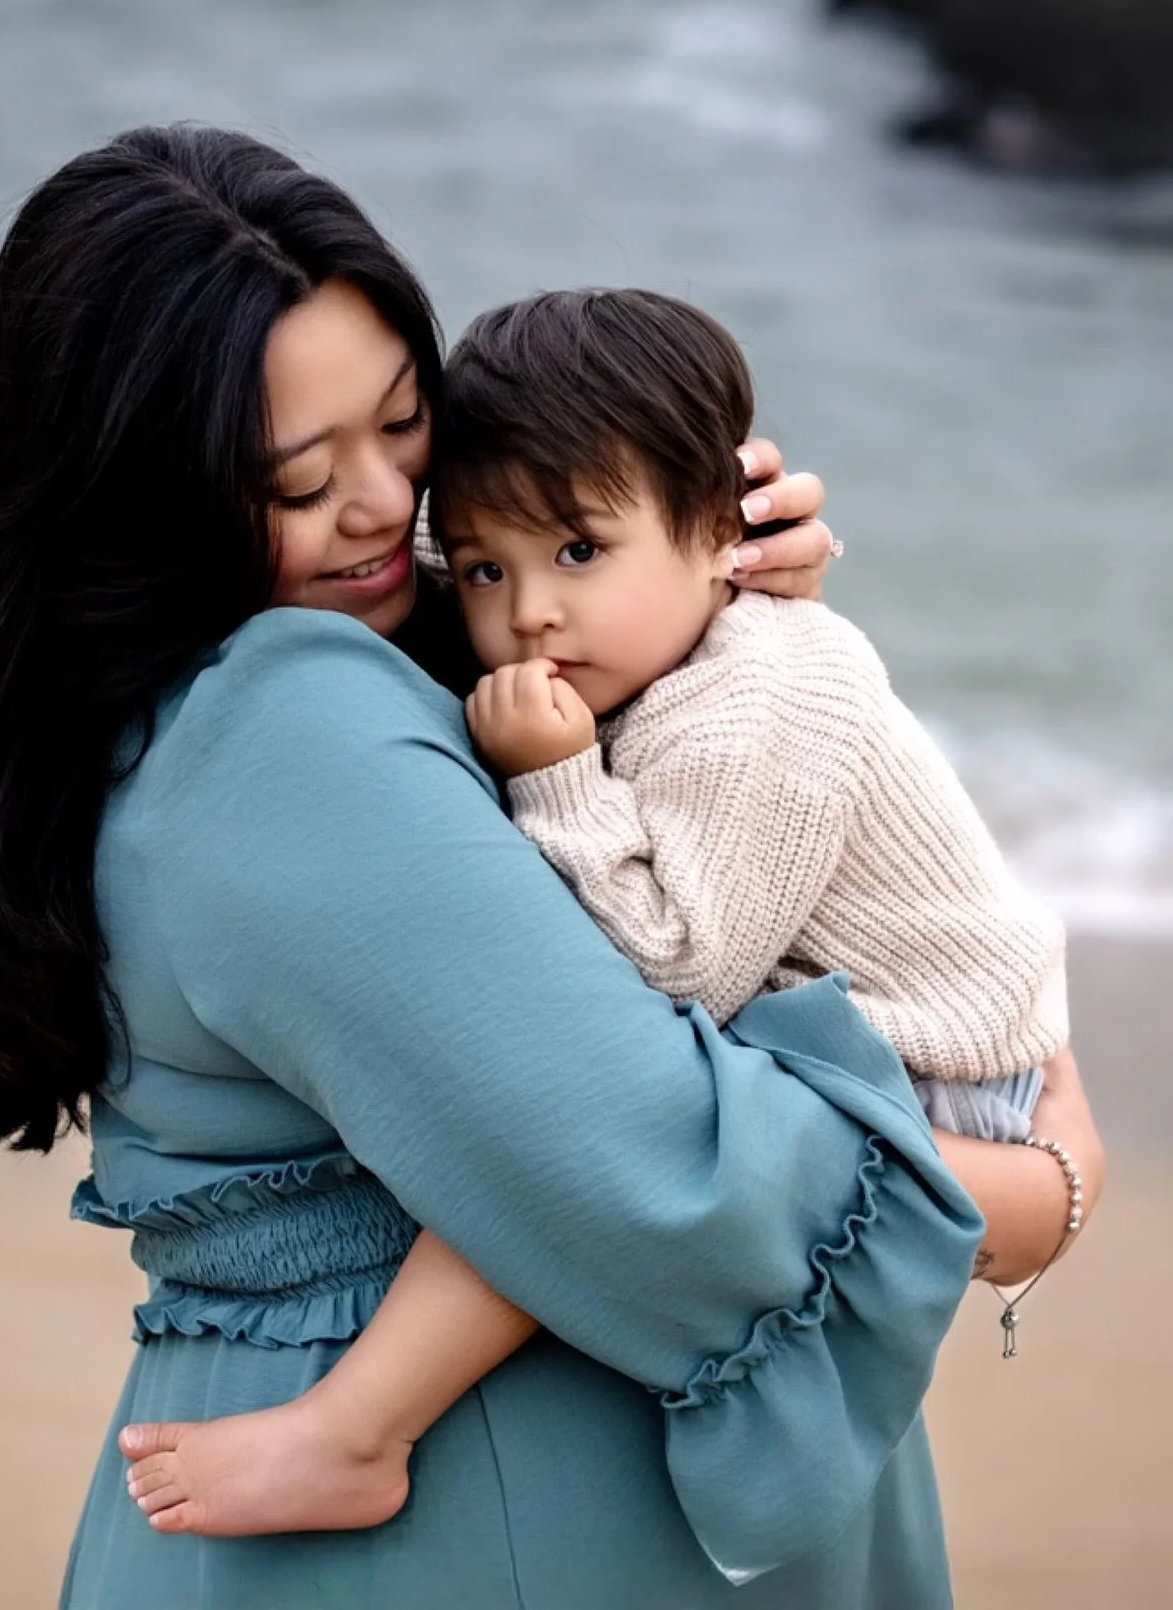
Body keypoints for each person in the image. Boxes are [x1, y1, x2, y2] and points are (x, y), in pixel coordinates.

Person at [0, 124, 1102, 1610]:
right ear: (141, 495)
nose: (385, 505)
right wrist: (1040, 1191)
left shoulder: (215, 695)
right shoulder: (291, 726)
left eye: (404, 424)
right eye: (296, 479)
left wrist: (716, 613)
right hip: (494, 1529)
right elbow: (653, 1164)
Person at [120, 285, 1074, 1539]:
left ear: (720, 530)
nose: (528, 612)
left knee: (560, 1122)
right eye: (483, 569)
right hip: (850, 1010)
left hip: (939, 1060)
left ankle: (360, 1428)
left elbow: (667, 978)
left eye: (578, 553)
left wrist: (557, 777)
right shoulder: (657, 638)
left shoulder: (754, 705)